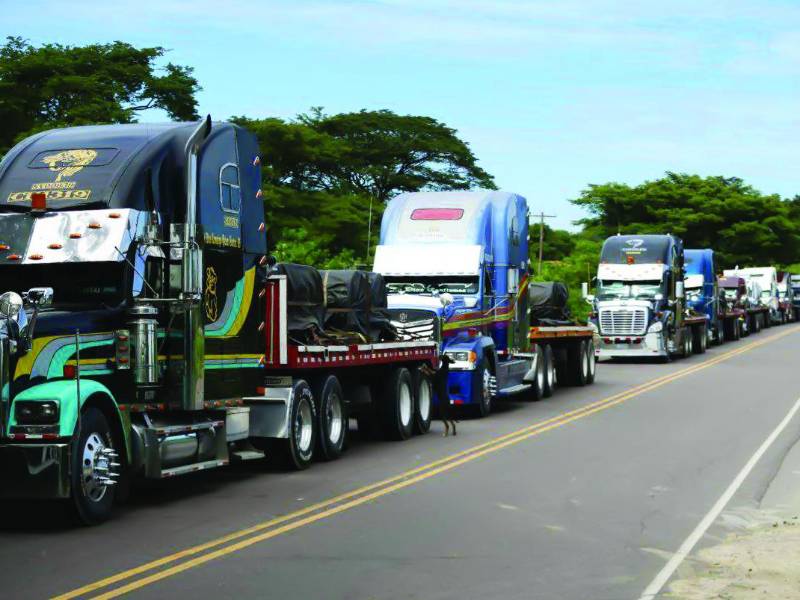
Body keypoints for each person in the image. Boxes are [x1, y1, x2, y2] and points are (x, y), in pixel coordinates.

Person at [422, 353, 458, 436]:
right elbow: (435, 373)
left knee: (443, 415)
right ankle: (453, 426)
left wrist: (425, 370)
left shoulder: (442, 371)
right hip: (445, 396)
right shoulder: (445, 370)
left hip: (442, 396)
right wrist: (428, 370)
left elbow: (433, 375)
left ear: (443, 361)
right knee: (448, 414)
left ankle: (447, 428)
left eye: (441, 359)